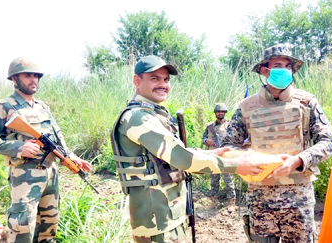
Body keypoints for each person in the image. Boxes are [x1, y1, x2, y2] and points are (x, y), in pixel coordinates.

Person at [110, 55, 267, 242]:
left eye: (166, 79)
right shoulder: (139, 118)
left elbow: (171, 153)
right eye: (155, 78)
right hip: (157, 221)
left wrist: (210, 153)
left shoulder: (151, 114)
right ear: (137, 81)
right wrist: (236, 165)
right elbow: (182, 158)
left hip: (167, 213)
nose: (163, 84)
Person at [222, 43, 332, 243]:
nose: (285, 70)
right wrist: (248, 160)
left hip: (298, 196)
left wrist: (298, 160)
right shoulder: (246, 107)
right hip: (260, 197)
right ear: (265, 71)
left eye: (288, 66)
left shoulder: (306, 103)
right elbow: (229, 146)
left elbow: (327, 142)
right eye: (278, 65)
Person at [0, 57, 93, 243]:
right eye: (27, 75)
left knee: (49, 226)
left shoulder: (42, 106)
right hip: (25, 174)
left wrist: (70, 156)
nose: (33, 80)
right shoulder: (3, 106)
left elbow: (57, 136)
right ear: (14, 79)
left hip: (50, 172)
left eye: (36, 76)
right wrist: (18, 147)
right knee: (22, 228)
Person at [202, 103, 237, 206]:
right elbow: (203, 138)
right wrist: (206, 141)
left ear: (225, 113)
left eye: (222, 112)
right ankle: (213, 200)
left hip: (225, 156)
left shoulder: (229, 125)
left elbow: (235, 138)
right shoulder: (210, 126)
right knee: (214, 178)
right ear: (215, 113)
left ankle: (231, 201)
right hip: (213, 156)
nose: (220, 113)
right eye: (218, 112)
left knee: (228, 179)